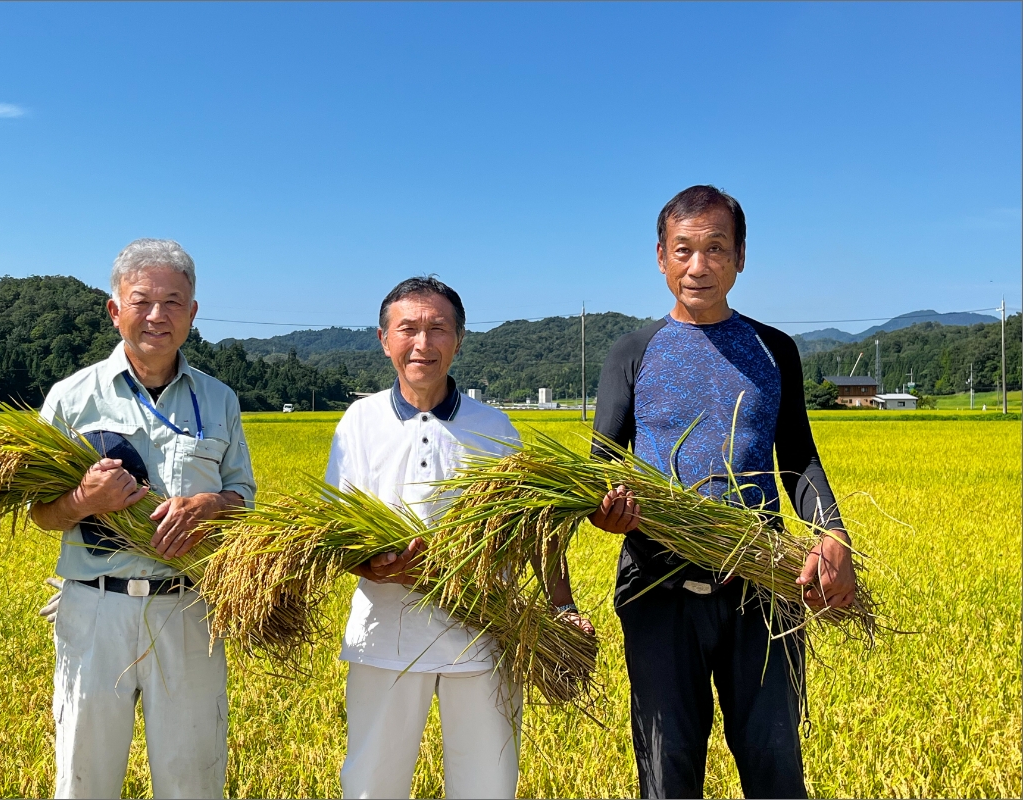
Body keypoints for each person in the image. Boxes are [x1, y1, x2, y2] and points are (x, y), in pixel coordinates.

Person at [590, 186, 856, 799]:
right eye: (683, 249)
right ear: (660, 257)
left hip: (763, 589)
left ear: (740, 257)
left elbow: (798, 459)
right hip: (657, 589)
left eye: (715, 248)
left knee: (774, 764)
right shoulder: (632, 353)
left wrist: (833, 531)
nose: (698, 266)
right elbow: (603, 468)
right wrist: (611, 514)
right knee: (667, 769)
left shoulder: (774, 350)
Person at [326, 276, 592, 799]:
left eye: (438, 329)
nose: (422, 343)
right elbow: (338, 529)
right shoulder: (359, 422)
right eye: (408, 329)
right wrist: (368, 564)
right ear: (385, 340)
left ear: (460, 339)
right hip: (384, 635)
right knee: (370, 784)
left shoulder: (494, 427)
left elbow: (536, 531)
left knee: (487, 784)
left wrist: (561, 607)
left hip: (484, 636)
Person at [30, 238, 256, 799]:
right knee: (86, 776)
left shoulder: (219, 400)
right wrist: (83, 501)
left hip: (190, 608)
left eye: (174, 302)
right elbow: (40, 513)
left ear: (194, 314)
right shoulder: (72, 398)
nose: (158, 316)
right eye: (142, 300)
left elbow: (245, 497)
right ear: (115, 310)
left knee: (193, 777)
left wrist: (213, 505)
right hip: (94, 607)